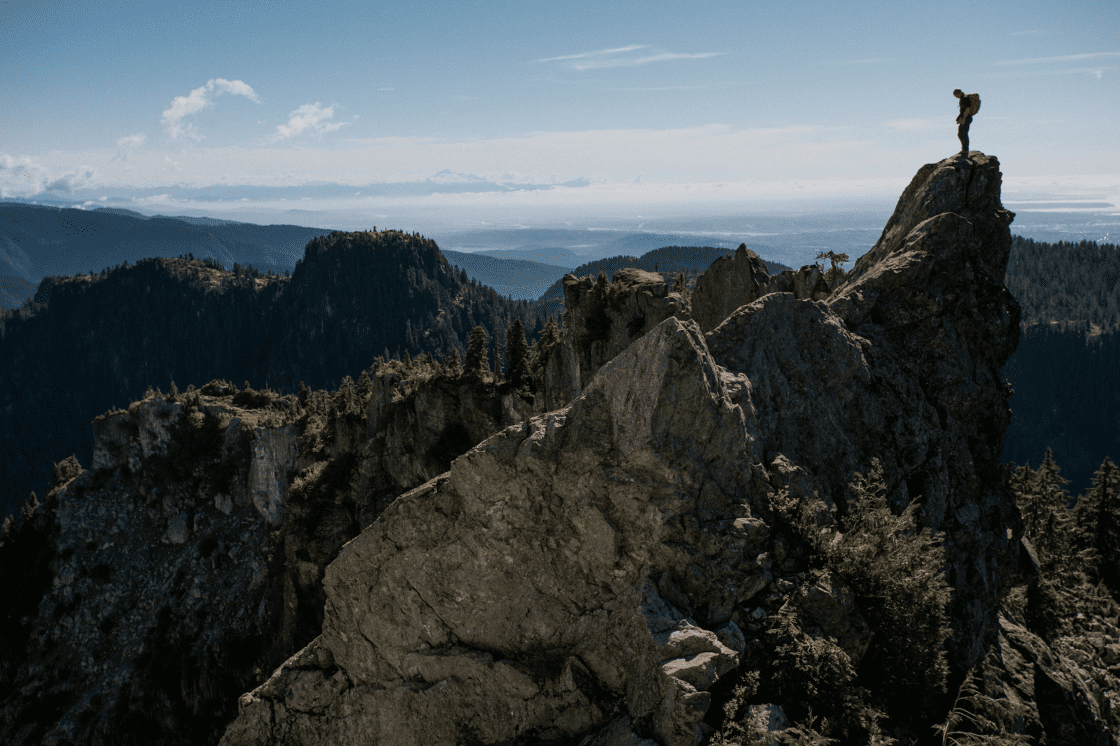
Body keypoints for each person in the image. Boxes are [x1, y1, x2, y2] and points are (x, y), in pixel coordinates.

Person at [953, 89, 980, 155]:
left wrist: (964, 118)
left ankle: (965, 150)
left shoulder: (964, 99)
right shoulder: (963, 98)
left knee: (963, 133)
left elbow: (967, 109)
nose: (955, 97)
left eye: (955, 95)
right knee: (960, 133)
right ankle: (964, 149)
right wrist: (960, 118)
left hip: (966, 118)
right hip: (965, 118)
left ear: (958, 93)